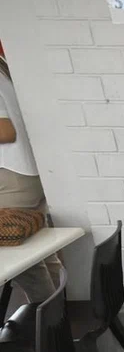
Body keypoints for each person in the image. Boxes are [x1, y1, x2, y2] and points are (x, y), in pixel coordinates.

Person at [0, 56, 61, 303]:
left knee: (22, 261)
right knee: (42, 251)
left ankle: (47, 320)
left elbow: (6, 131)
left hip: (11, 178)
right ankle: (58, 316)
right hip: (25, 173)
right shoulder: (2, 66)